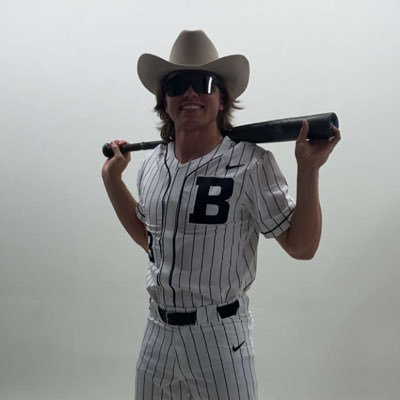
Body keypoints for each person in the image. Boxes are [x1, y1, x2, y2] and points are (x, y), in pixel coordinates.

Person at [102, 30, 340, 400]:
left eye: (203, 83)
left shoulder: (252, 164)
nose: (190, 94)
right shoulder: (152, 164)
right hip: (156, 334)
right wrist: (112, 180)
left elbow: (302, 247)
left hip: (219, 338)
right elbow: (150, 239)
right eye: (177, 85)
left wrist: (308, 171)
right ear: (164, 100)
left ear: (222, 98)